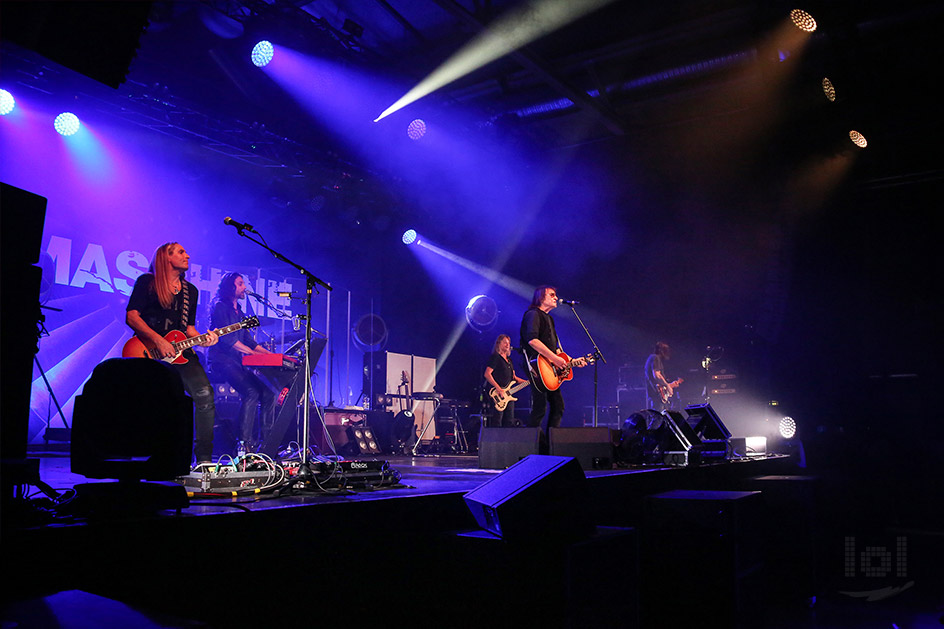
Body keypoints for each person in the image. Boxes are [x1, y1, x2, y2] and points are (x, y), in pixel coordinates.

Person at [126, 242, 218, 465]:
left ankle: (204, 459)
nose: (187, 255)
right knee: (155, 402)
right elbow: (132, 316)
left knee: (205, 394)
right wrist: (158, 340)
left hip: (181, 353)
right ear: (166, 258)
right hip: (149, 351)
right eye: (180, 252)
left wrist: (206, 340)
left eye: (186, 251)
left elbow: (188, 329)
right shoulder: (147, 283)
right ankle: (147, 454)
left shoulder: (191, 291)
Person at [208, 272, 276, 454]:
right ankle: (244, 444)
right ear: (231, 287)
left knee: (269, 394)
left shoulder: (241, 312)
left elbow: (249, 341)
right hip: (221, 361)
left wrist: (271, 356)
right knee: (251, 391)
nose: (244, 287)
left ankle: (267, 445)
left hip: (236, 362)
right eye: (240, 284)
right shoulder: (220, 306)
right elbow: (227, 340)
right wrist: (252, 353)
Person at [519, 285, 586, 431]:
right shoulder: (533, 314)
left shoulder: (549, 319)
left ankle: (551, 443)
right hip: (535, 365)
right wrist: (554, 359)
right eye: (552, 295)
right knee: (540, 407)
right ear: (541, 297)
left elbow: (556, 349)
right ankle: (531, 444)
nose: (556, 298)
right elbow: (532, 340)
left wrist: (573, 361)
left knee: (558, 406)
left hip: (548, 367)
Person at [483, 334, 529, 428]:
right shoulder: (496, 357)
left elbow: (514, 378)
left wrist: (528, 382)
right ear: (499, 344)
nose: (507, 345)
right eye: (505, 342)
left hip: (508, 394)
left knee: (509, 421)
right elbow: (487, 374)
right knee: (497, 421)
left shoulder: (509, 360)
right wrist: (498, 388)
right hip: (497, 393)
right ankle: (495, 441)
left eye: (508, 343)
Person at [644, 341, 678, 412]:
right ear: (661, 351)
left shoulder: (653, 358)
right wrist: (667, 386)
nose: (668, 353)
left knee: (659, 417)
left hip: (657, 394)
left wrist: (670, 385)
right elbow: (657, 375)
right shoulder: (655, 357)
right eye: (666, 350)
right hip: (657, 394)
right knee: (658, 417)